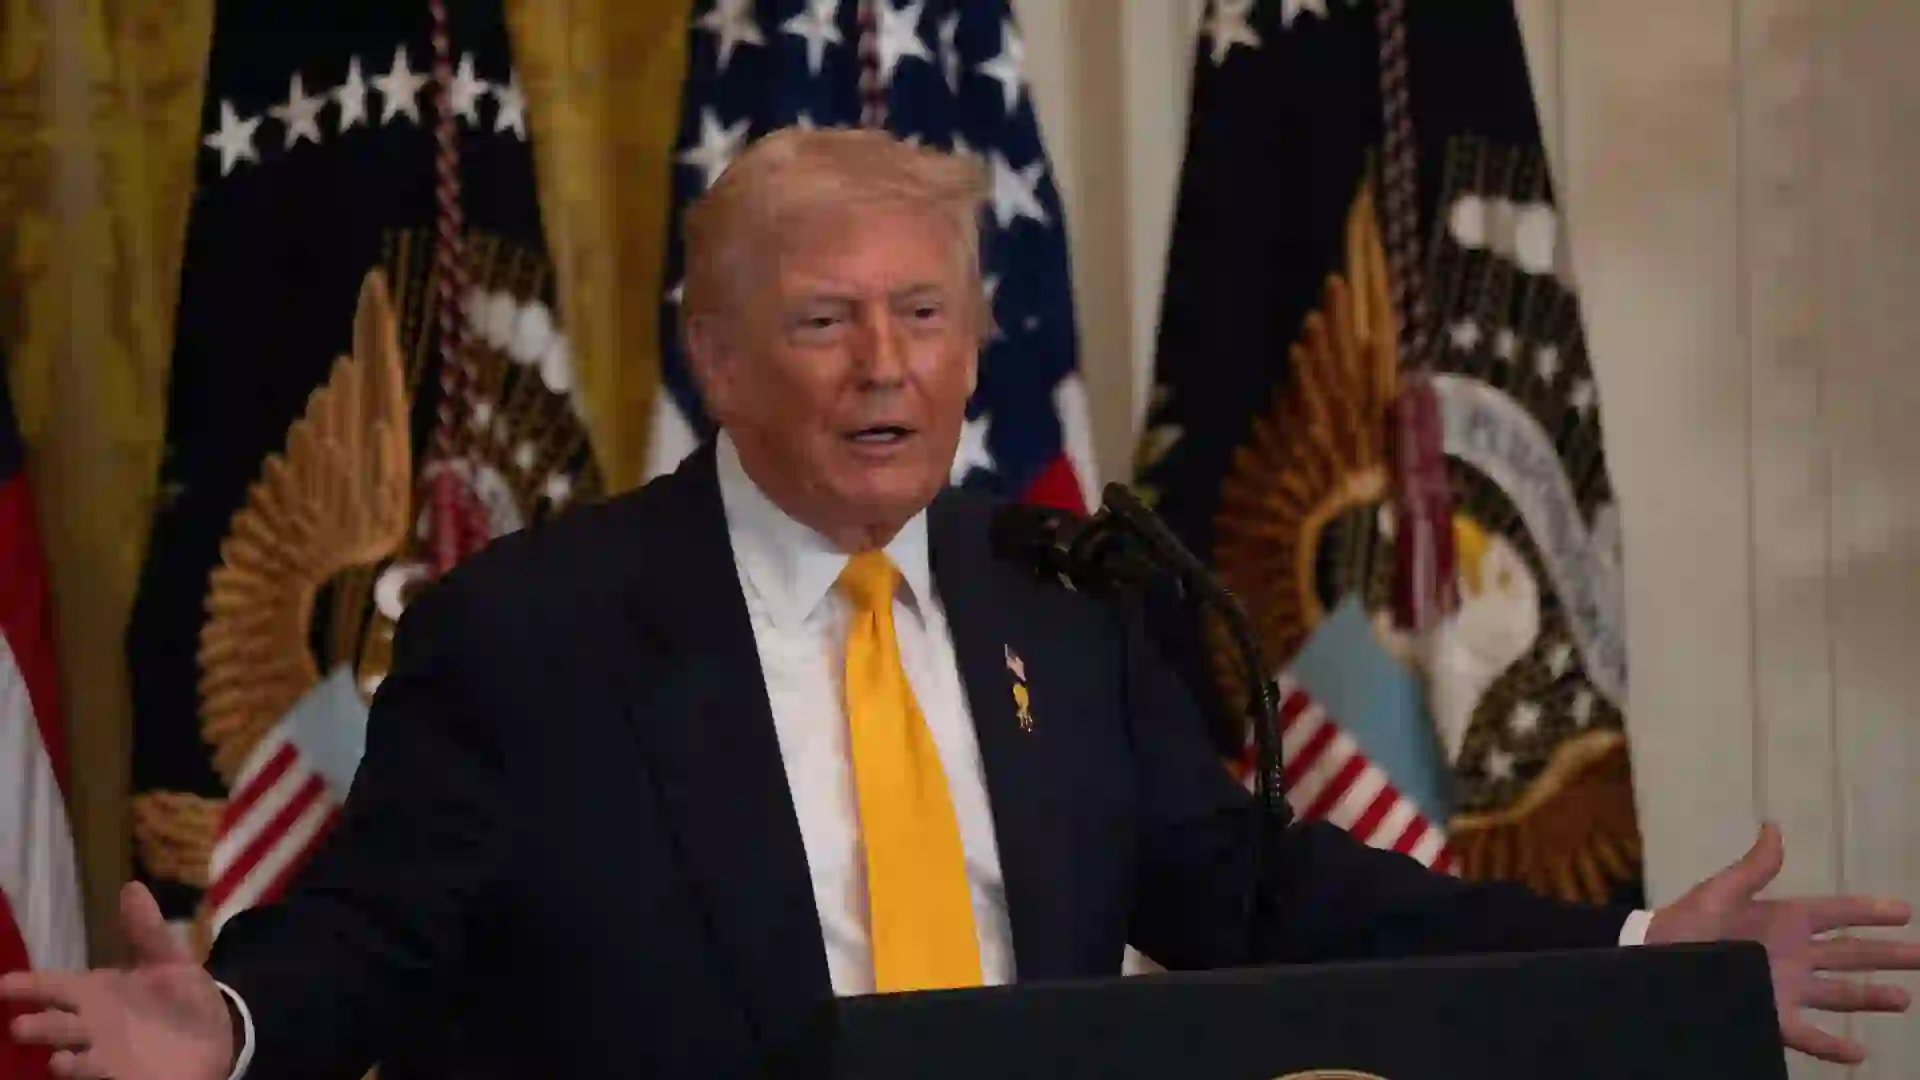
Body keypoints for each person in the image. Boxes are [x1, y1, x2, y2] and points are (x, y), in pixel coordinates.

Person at [5, 128, 1916, 1079]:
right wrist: (232, 1024)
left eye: (925, 317)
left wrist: (1641, 949)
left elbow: (1259, 890)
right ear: (718, 359)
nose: (883, 370)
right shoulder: (539, 629)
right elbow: (386, 933)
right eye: (825, 321)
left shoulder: (1061, 594)